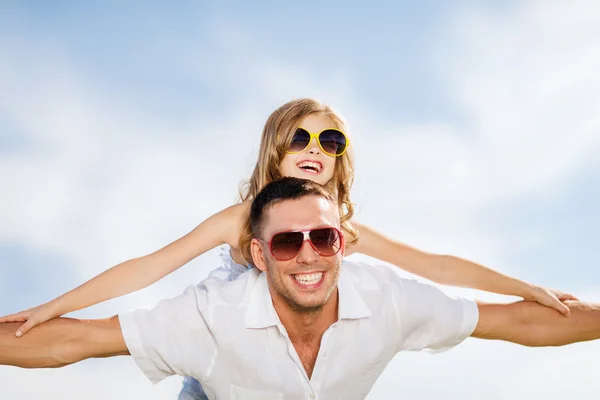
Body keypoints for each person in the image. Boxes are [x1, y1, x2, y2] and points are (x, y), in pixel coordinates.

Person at [0, 99, 577, 399]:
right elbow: (149, 267)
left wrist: (524, 287)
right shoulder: (240, 218)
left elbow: (440, 265)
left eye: (330, 141)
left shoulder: (346, 230)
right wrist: (53, 306)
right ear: (273, 148)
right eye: (299, 137)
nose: (314, 148)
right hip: (217, 370)